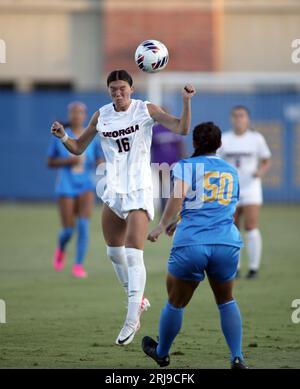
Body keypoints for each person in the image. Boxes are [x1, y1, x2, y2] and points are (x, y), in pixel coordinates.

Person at [50, 69, 196, 345]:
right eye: (113, 89)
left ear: (131, 88)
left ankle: (131, 319)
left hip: (139, 190)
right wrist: (62, 136)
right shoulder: (101, 114)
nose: (118, 93)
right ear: (108, 91)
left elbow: (182, 128)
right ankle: (138, 299)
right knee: (113, 253)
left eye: (122, 88)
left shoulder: (145, 109)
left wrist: (186, 101)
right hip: (113, 189)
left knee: (132, 254)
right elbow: (79, 147)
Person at [142, 122, 247, 369]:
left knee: (176, 301)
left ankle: (162, 352)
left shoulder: (185, 166)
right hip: (225, 242)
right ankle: (237, 357)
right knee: (227, 300)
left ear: (195, 143)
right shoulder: (231, 171)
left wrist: (162, 224)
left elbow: (177, 198)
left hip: (192, 243)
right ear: (220, 145)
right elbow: (223, 206)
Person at [47, 102, 104, 278]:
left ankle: (78, 265)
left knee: (84, 225)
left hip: (86, 185)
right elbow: (49, 162)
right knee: (68, 230)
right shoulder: (60, 135)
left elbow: (98, 159)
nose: (76, 115)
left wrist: (103, 165)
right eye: (73, 112)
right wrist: (67, 161)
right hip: (66, 185)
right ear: (69, 115)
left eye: (80, 112)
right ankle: (61, 248)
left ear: (85, 116)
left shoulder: (92, 137)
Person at [218, 106, 272, 279]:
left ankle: (254, 268)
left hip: (251, 188)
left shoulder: (256, 139)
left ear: (247, 118)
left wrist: (260, 172)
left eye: (241, 116)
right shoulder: (224, 139)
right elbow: (216, 161)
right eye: (235, 116)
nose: (238, 119)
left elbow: (266, 159)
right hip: (230, 189)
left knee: (251, 225)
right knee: (233, 228)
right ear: (231, 118)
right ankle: (236, 267)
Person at [151, 116, 185, 214]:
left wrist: (182, 160)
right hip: (160, 164)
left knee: (175, 189)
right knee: (163, 190)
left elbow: (180, 145)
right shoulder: (155, 129)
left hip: (174, 163)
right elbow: (150, 147)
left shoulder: (174, 129)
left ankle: (175, 212)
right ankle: (163, 212)